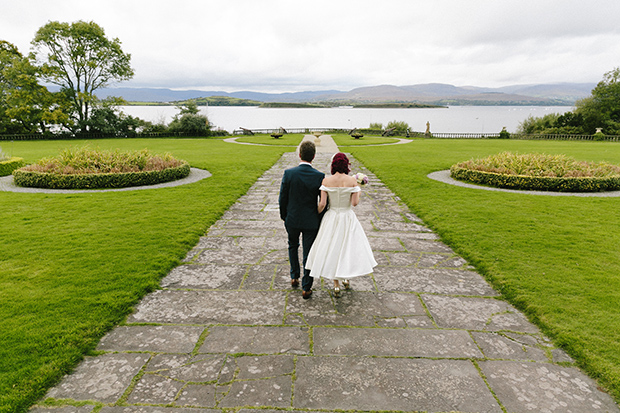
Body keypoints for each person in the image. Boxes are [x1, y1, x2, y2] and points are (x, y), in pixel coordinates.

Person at [305, 153, 377, 297]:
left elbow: (323, 204)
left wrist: (316, 215)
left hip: (331, 216)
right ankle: (344, 278)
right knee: (345, 248)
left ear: (333, 165)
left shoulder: (326, 181)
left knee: (332, 248)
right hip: (347, 217)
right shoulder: (352, 181)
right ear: (346, 165)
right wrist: (359, 190)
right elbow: (354, 203)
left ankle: (336, 284)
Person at [279, 140, 325, 299]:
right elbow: (323, 202)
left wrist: (284, 216)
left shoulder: (289, 173)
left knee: (292, 246)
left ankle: (294, 276)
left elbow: (282, 198)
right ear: (313, 157)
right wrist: (318, 218)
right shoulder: (319, 176)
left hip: (292, 218)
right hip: (310, 220)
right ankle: (306, 287)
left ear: (299, 155)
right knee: (309, 252)